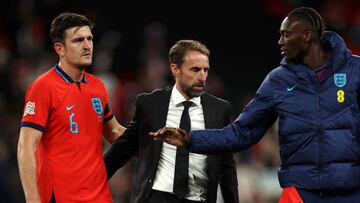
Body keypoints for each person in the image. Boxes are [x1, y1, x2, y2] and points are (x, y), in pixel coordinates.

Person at [152, 7, 360, 203]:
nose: (280, 41)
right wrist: (191, 139)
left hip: (352, 191)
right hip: (300, 193)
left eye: (286, 35)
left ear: (307, 36)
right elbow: (242, 133)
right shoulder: (279, 81)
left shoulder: (354, 70)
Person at [104, 39, 239, 203]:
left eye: (205, 70)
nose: (202, 77)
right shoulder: (150, 104)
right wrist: (90, 181)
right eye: (195, 70)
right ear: (175, 69)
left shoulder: (219, 109)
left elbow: (226, 165)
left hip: (199, 197)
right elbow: (123, 149)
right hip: (157, 196)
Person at [17, 12, 126, 203]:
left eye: (89, 39)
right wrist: (33, 199)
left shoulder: (97, 86)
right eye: (78, 40)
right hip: (60, 197)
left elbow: (114, 131)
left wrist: (155, 143)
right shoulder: (43, 87)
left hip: (100, 197)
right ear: (60, 49)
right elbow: (25, 146)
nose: (87, 45)